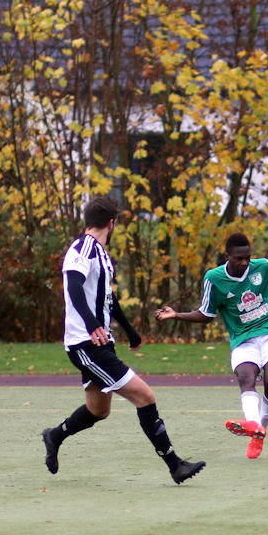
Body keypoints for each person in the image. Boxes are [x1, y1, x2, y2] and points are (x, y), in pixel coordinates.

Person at [42, 196, 205, 484]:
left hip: (100, 342)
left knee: (98, 410)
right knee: (145, 396)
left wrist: (129, 329)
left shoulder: (102, 254)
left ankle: (55, 436)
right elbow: (74, 286)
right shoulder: (82, 249)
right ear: (112, 222)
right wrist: (92, 325)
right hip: (85, 344)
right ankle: (174, 465)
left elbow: (106, 296)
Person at [155, 232, 268, 459]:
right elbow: (206, 314)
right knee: (246, 379)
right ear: (227, 256)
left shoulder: (264, 266)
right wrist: (176, 315)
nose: (245, 262)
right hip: (242, 339)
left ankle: (259, 428)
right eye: (239, 258)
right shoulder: (214, 279)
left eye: (248, 257)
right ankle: (254, 428)